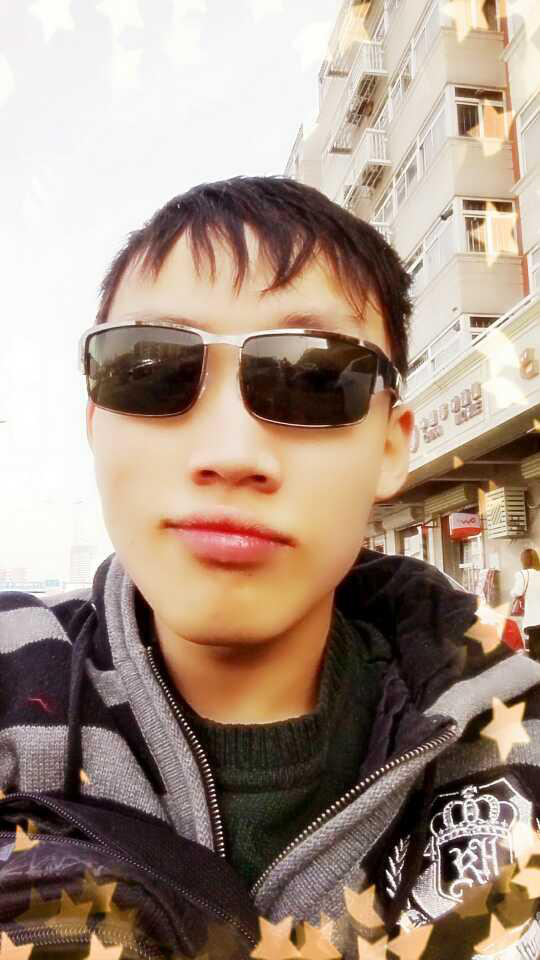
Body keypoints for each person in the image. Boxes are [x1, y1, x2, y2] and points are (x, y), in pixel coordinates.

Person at [2, 176, 540, 959]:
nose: (230, 453)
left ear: (392, 445)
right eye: (150, 368)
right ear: (96, 422)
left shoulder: (514, 750)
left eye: (314, 378)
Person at [511, 547, 540, 660]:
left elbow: (517, 592)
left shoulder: (523, 574)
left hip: (533, 620)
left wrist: (512, 593)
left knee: (534, 653)